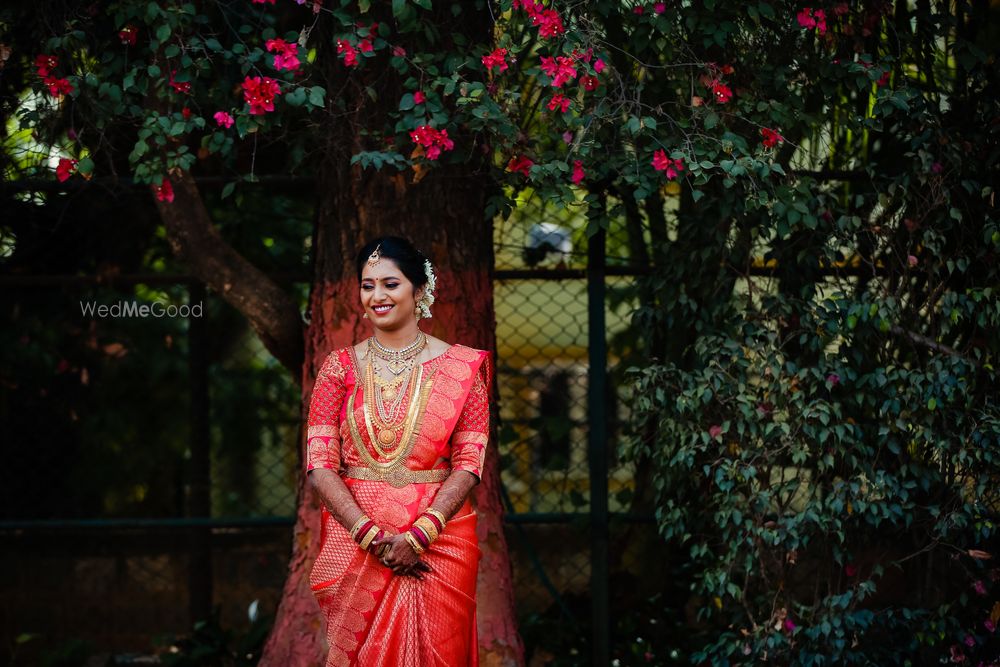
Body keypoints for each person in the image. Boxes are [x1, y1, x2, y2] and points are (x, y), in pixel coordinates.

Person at [305, 236, 491, 666]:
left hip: (439, 541)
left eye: (390, 284)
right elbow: (319, 464)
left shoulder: (461, 368)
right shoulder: (338, 368)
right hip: (356, 542)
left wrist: (421, 534)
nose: (377, 296)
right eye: (368, 286)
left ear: (419, 290)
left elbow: (468, 463)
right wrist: (369, 535)